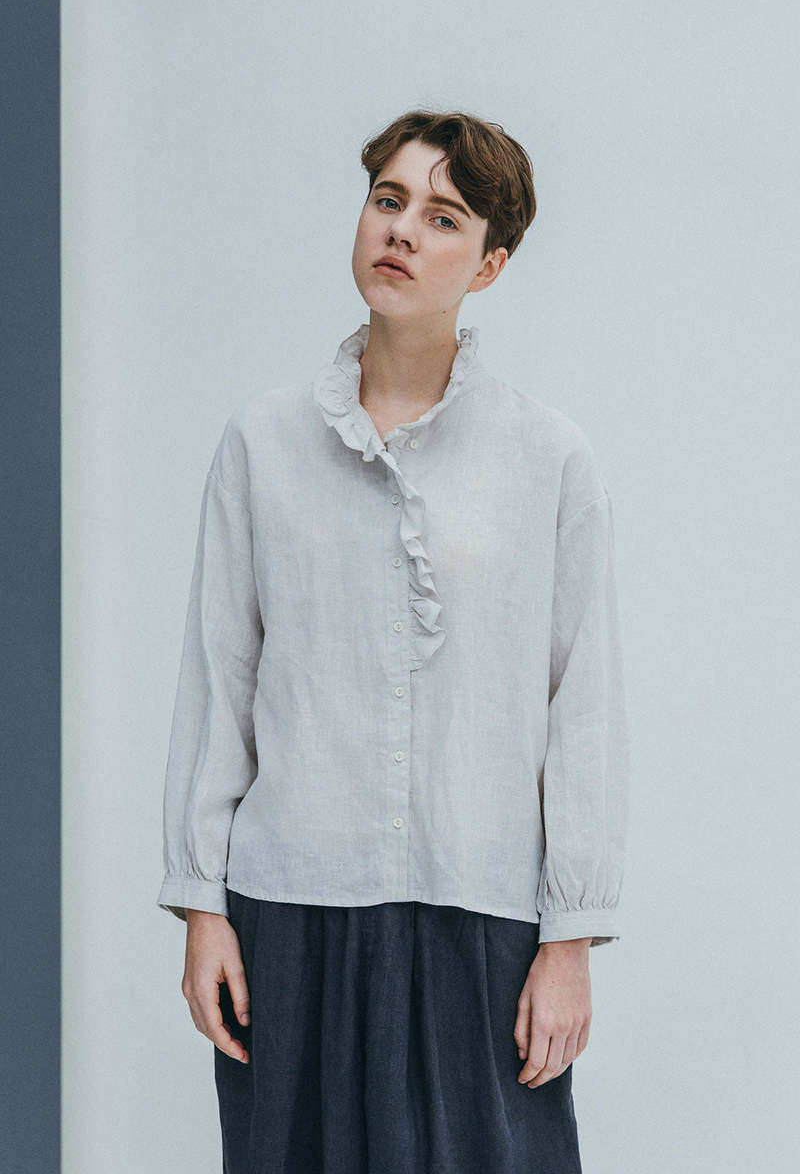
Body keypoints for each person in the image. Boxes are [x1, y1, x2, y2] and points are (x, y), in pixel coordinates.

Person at [157, 108, 630, 1173]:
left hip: (482, 922)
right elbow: (220, 676)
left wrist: (569, 938)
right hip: (290, 914)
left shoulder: (548, 458)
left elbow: (584, 705)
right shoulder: (262, 442)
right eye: (388, 200)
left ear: (490, 264)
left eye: (443, 215)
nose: (403, 230)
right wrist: (202, 908)